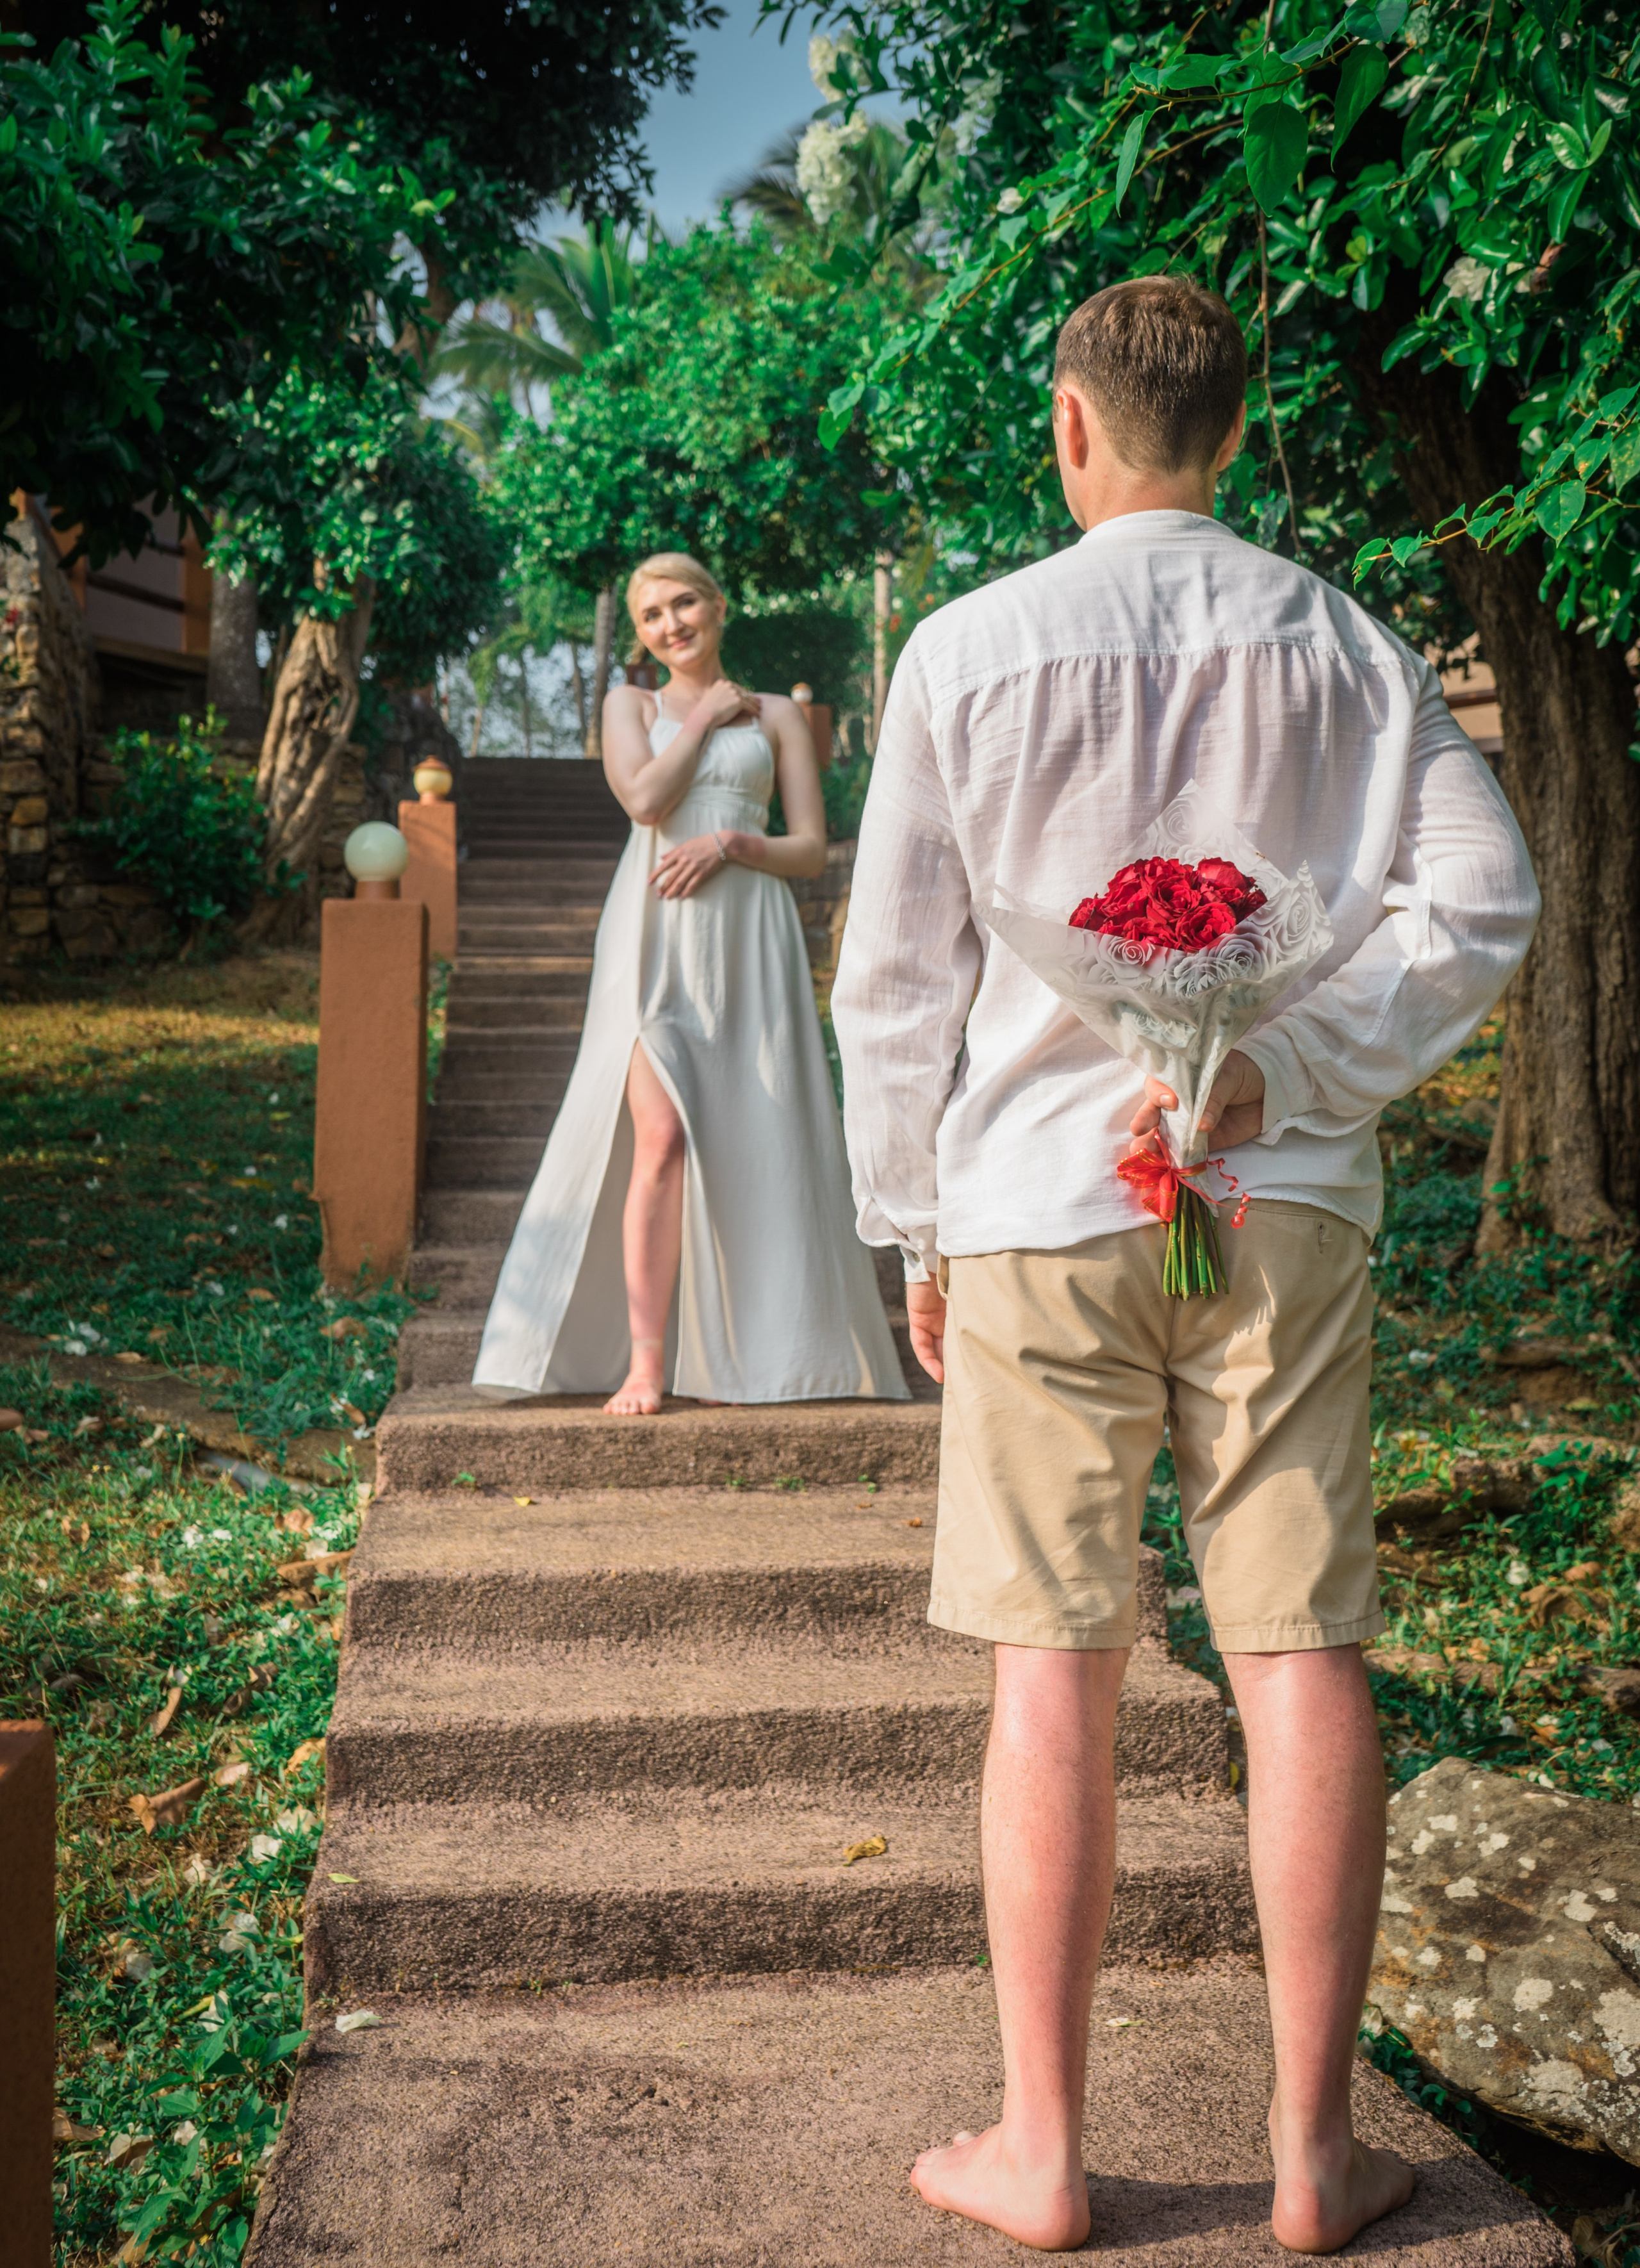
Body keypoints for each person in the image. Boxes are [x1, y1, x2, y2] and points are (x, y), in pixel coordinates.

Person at [831, 276, 1539, 2253]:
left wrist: (912, 1222)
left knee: (1051, 1671)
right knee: (1300, 1650)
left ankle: (1044, 2149)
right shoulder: (1353, 647)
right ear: (1238, 429)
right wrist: (1289, 1066)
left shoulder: (968, 652)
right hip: (1283, 1198)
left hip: (1047, 1214)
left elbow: (894, 983)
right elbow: (1487, 901)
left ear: (1071, 426)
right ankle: (1317, 2157)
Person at [473, 550, 907, 1415]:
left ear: (718, 606)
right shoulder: (629, 705)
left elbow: (812, 849)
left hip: (750, 939)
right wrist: (705, 716)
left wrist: (735, 844)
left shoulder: (780, 714)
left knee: (762, 1129)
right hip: (653, 941)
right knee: (660, 1137)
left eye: (684, 605)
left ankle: (777, 1344)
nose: (670, 625)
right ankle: (644, 1362)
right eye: (651, 616)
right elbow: (643, 800)